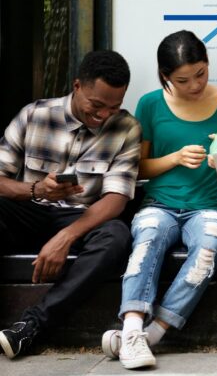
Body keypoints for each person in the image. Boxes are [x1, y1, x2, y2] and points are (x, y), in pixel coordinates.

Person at [99, 31, 217, 369]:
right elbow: (136, 169)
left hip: (210, 205)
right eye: (183, 79)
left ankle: (153, 335)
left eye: (201, 73)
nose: (195, 85)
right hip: (160, 204)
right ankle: (133, 328)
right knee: (147, 241)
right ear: (165, 75)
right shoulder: (150, 104)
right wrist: (176, 157)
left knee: (207, 251)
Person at [0, 51, 140, 360]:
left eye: (113, 107)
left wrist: (66, 237)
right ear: (77, 86)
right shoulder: (34, 115)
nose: (104, 115)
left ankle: (31, 326)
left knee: (116, 235)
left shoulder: (126, 128)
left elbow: (116, 199)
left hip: (81, 218)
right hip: (30, 211)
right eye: (96, 105)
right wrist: (36, 189)